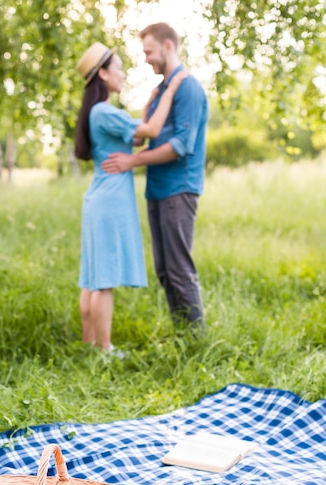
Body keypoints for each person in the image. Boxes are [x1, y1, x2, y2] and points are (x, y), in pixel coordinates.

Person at [75, 42, 188, 354]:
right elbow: (151, 131)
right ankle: (105, 348)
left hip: (100, 197)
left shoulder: (99, 112)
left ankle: (90, 345)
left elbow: (135, 136)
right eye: (119, 68)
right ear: (103, 73)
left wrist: (150, 99)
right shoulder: (104, 111)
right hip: (109, 201)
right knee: (103, 280)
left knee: (92, 277)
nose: (123, 74)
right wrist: (169, 89)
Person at [102, 23, 208, 331]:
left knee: (178, 270)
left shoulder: (186, 86)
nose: (146, 58)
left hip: (179, 189)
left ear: (168, 47)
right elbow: (146, 132)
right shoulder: (162, 89)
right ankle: (182, 336)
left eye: (149, 51)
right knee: (164, 270)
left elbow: (180, 146)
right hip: (158, 189)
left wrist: (132, 162)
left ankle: (196, 342)